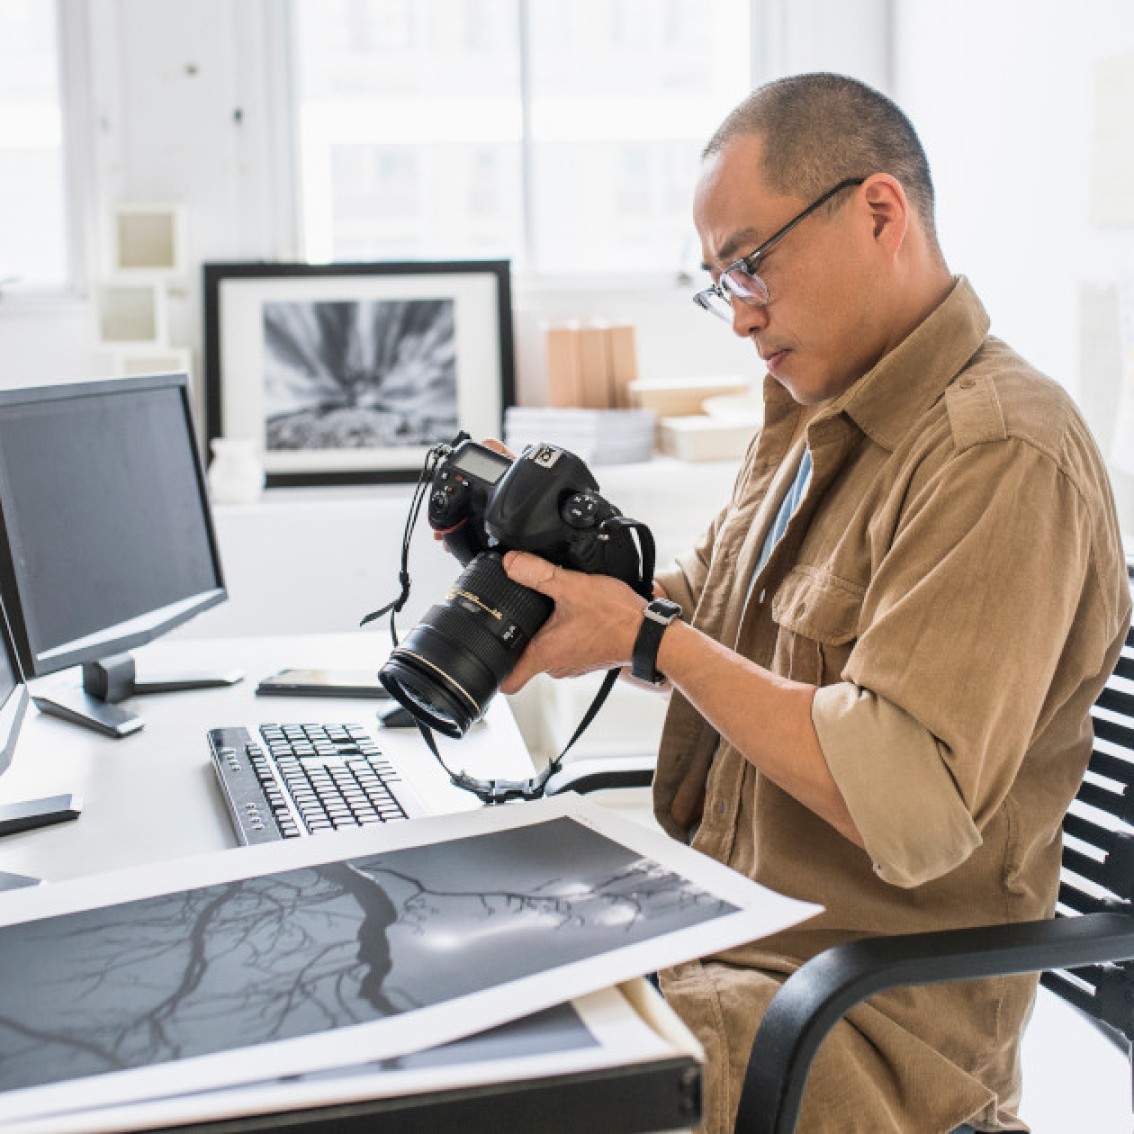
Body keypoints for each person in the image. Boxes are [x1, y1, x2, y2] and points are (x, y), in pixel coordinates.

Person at [497, 72, 1132, 1134]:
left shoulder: (999, 452)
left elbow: (907, 798)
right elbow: (704, 610)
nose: (741, 315)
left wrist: (653, 642)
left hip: (857, 1028)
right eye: (719, 283)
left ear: (879, 213)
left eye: (751, 265)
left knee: (487, 1085)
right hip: (725, 944)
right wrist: (563, 572)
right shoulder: (814, 415)